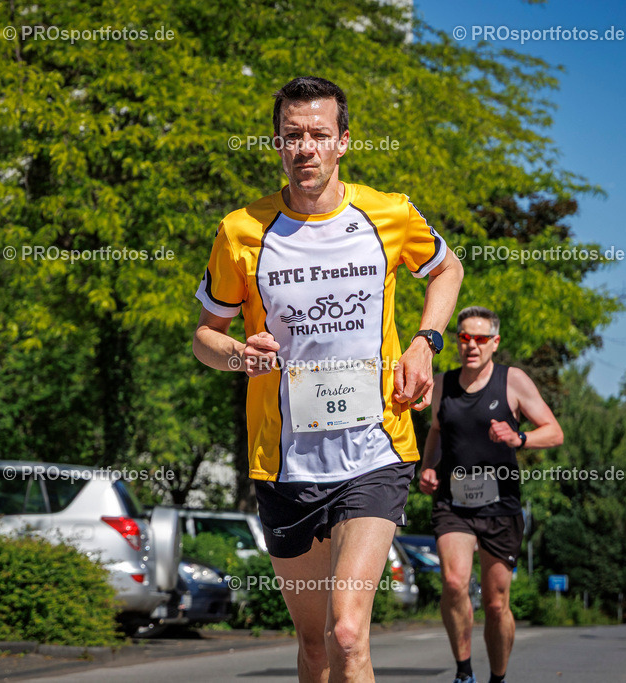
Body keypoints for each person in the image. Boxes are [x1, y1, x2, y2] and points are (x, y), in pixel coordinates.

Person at [193, 75, 463, 682]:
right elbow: (205, 338)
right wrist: (240, 355)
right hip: (285, 462)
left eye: (318, 134)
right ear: (278, 144)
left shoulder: (387, 213)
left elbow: (448, 270)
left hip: (376, 449)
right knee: (314, 644)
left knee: (348, 632)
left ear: (344, 141)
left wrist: (426, 342)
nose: (305, 148)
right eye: (293, 136)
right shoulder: (242, 231)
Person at [418, 306, 563, 683]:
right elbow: (435, 431)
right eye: (464, 337)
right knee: (453, 583)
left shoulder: (512, 381)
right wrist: (428, 467)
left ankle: (497, 676)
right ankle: (464, 671)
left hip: (500, 505)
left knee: (496, 604)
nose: (472, 345)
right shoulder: (442, 384)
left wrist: (521, 438)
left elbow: (554, 430)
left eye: (481, 338)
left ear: (495, 343)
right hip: (453, 503)